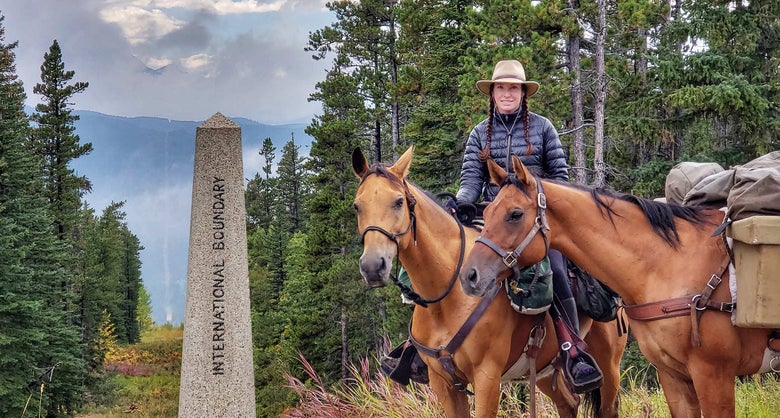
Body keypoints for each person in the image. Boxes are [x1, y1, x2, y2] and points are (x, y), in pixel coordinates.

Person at [453, 59, 602, 393]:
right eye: (501, 87)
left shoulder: (543, 128)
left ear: (523, 92)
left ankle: (571, 348)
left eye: (514, 88)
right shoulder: (480, 133)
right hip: (492, 216)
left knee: (558, 270)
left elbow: (560, 177)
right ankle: (427, 345)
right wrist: (463, 200)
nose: (507, 93)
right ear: (492, 93)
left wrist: (538, 200)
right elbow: (471, 178)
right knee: (452, 258)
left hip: (537, 217)